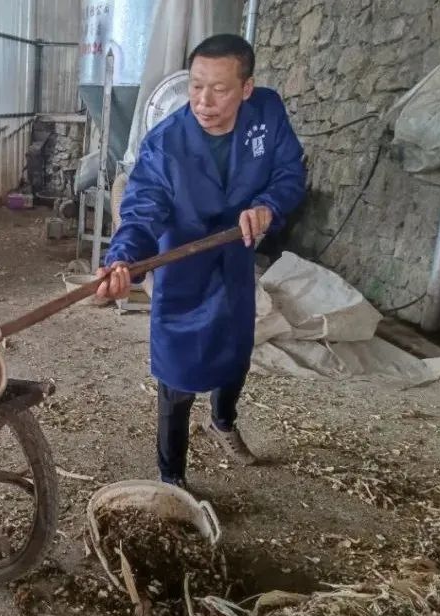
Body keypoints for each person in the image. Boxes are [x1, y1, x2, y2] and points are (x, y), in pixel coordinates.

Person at [96, 34, 306, 487]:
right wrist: (123, 258)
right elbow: (142, 208)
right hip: (183, 267)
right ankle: (173, 479)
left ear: (246, 89)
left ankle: (223, 421)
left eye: (219, 89)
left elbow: (290, 172)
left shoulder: (267, 114)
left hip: (235, 257)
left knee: (236, 351)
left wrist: (268, 204)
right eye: (195, 86)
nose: (204, 101)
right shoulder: (165, 143)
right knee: (177, 377)